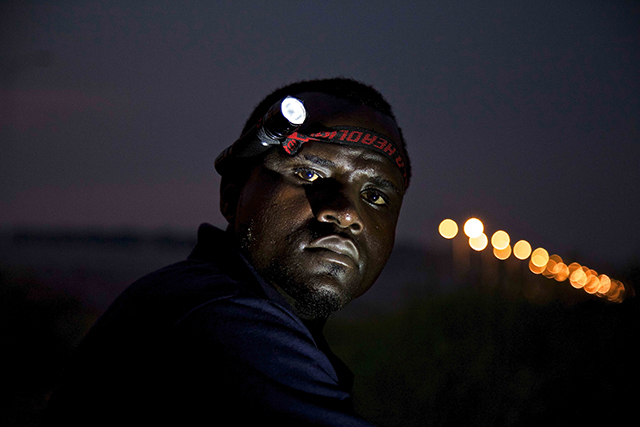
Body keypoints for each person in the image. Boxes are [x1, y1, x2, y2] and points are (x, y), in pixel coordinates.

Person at [40, 77, 411, 426]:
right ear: (232, 196)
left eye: (376, 197)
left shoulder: (210, 303)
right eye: (310, 175)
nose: (347, 213)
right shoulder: (225, 320)